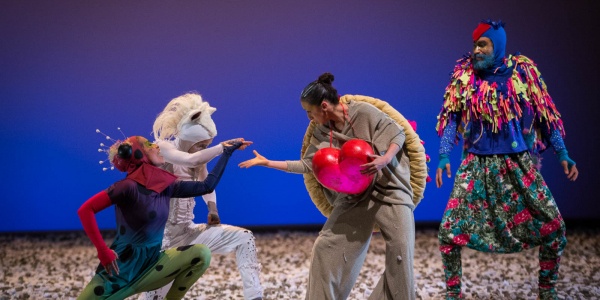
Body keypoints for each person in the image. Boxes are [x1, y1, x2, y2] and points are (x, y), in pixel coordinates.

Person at [435, 20, 578, 300]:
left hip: (516, 164)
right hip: (476, 165)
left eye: (482, 44)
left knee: (555, 226)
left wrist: (562, 152)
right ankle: (453, 294)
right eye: (474, 44)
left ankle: (547, 291)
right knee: (448, 232)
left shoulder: (522, 72)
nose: (476, 50)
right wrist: (443, 156)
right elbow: (451, 117)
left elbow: (544, 113)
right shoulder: (464, 75)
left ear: (498, 46)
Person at [240, 73, 416, 300]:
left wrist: (384, 158)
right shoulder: (322, 131)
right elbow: (307, 164)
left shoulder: (362, 112)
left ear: (324, 106)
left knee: (401, 252)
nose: (308, 117)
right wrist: (268, 162)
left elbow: (397, 133)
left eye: (309, 112)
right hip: (354, 196)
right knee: (326, 247)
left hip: (389, 188)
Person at [77, 134, 242, 299]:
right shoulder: (126, 186)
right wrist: (102, 250)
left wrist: (226, 152)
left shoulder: (165, 186)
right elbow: (86, 209)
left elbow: (207, 186)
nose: (156, 146)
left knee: (202, 254)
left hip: (152, 265)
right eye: (149, 144)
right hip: (120, 268)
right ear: (137, 153)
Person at [140, 93, 263, 300]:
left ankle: (255, 296)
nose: (204, 150)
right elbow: (190, 159)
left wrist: (212, 210)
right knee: (154, 296)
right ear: (189, 139)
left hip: (187, 232)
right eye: (202, 145)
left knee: (245, 238)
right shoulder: (164, 148)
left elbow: (206, 184)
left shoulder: (200, 157)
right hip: (162, 240)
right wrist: (220, 148)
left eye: (207, 145)